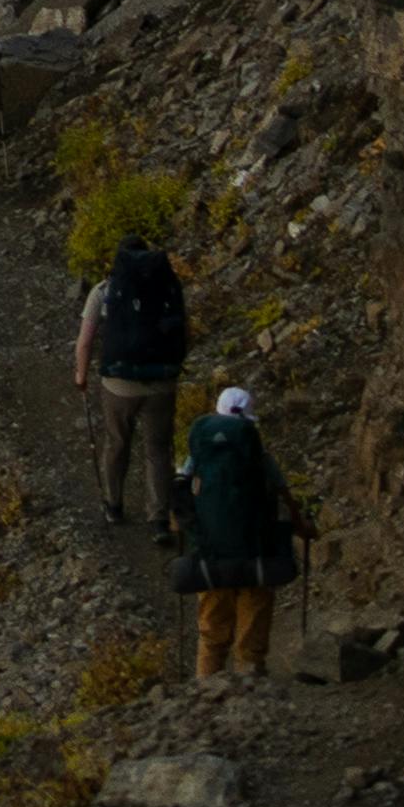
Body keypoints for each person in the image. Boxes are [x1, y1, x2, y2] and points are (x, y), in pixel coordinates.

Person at [181, 376, 307, 677]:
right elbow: (283, 496)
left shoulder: (197, 457)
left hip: (211, 557)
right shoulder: (259, 457)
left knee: (212, 633)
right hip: (255, 556)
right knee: (251, 635)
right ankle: (250, 692)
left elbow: (182, 495)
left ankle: (205, 692)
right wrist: (302, 526)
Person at [76, 215, 193, 519]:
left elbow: (85, 341)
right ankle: (158, 518)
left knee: (117, 443)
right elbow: (182, 329)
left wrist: (81, 376)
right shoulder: (167, 286)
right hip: (162, 382)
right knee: (157, 449)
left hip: (118, 382)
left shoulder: (105, 290)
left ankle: (114, 505)